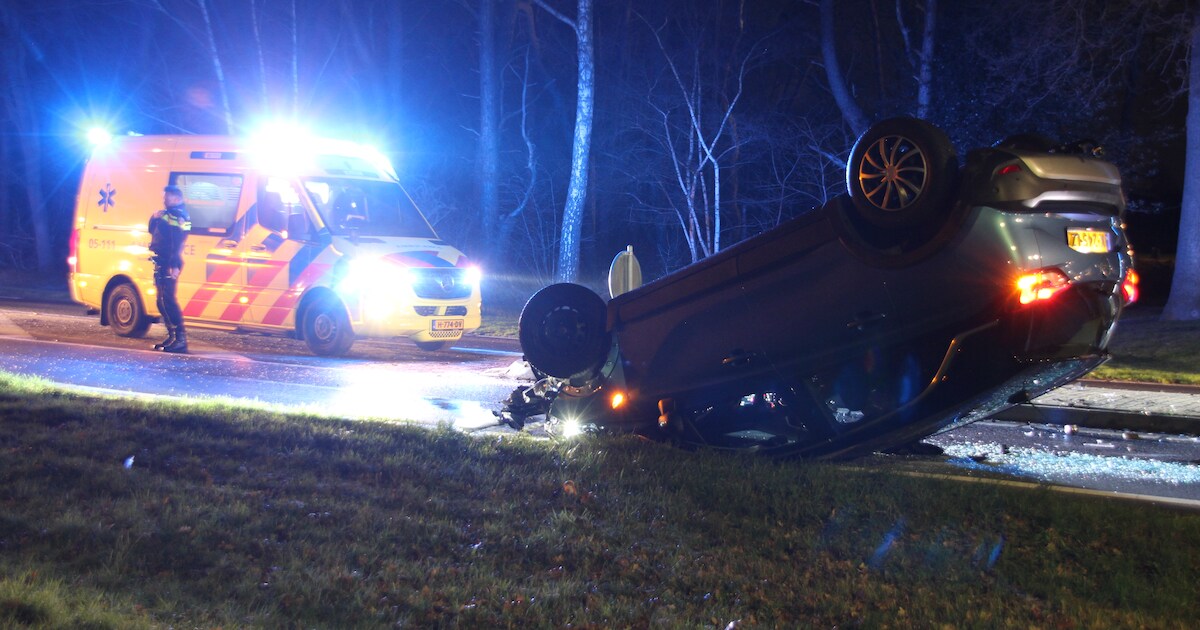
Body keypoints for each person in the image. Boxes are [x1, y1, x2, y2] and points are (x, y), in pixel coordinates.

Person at [148, 185, 191, 353]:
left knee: (168, 301)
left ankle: (180, 339)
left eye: (167, 197)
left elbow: (176, 242)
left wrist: (173, 265)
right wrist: (154, 217)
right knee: (161, 301)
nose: (164, 199)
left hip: (169, 262)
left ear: (176, 198)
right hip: (162, 260)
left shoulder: (178, 216)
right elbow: (152, 230)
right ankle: (172, 336)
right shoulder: (168, 214)